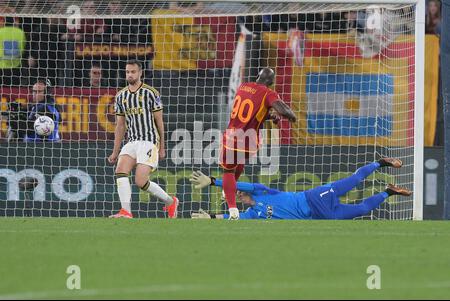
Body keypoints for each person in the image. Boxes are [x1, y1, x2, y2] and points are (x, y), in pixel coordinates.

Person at [189, 158, 412, 220]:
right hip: (320, 215)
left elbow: (237, 183)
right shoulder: (252, 214)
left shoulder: (262, 191)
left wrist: (212, 181)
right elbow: (231, 216)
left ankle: (380, 163)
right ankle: (389, 192)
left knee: (354, 179)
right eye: (237, 195)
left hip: (314, 197)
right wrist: (210, 216)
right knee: (362, 210)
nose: (238, 195)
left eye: (240, 193)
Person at [221, 67, 297, 220]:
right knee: (239, 160)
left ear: (257, 77)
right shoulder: (268, 93)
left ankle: (233, 210)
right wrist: (291, 115)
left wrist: (269, 115)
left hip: (232, 138)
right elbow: (282, 109)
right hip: (250, 143)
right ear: (271, 83)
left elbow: (247, 113)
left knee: (228, 171)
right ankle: (229, 189)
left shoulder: (243, 87)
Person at [107, 60, 178, 219]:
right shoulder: (121, 96)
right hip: (131, 141)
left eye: (133, 72)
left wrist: (162, 147)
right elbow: (120, 126)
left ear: (140, 73)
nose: (130, 75)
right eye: (127, 72)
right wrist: (115, 152)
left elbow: (159, 121)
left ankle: (170, 201)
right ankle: (126, 211)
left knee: (140, 181)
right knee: (120, 171)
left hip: (149, 141)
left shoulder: (151, 93)